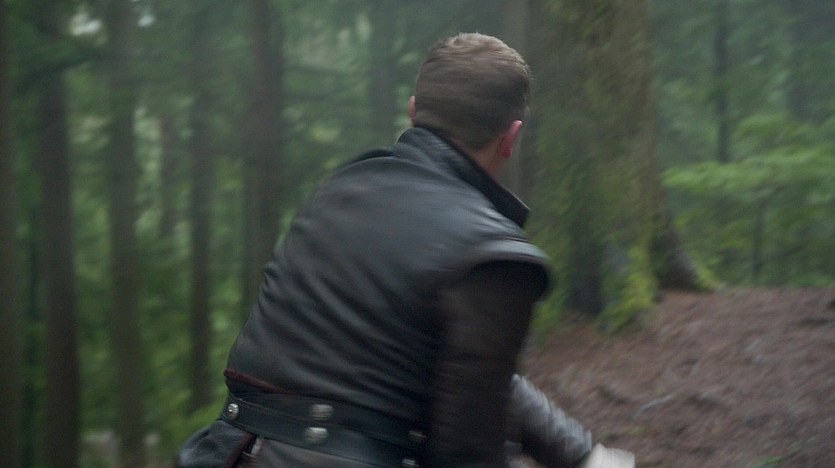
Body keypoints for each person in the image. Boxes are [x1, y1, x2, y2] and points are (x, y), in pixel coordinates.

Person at [178, 32, 602, 467]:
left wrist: (584, 455)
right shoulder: (493, 257)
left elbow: (473, 373)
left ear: (413, 111)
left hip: (224, 454)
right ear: (511, 137)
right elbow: (468, 452)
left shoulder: (341, 191)